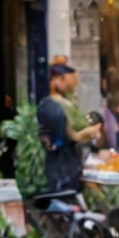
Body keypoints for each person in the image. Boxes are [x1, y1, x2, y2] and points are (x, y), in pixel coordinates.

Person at [37, 57, 102, 194]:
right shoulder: (49, 107)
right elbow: (65, 136)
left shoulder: (65, 103)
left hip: (70, 167)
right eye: (69, 80)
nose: (74, 86)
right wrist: (82, 135)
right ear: (57, 80)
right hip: (59, 171)